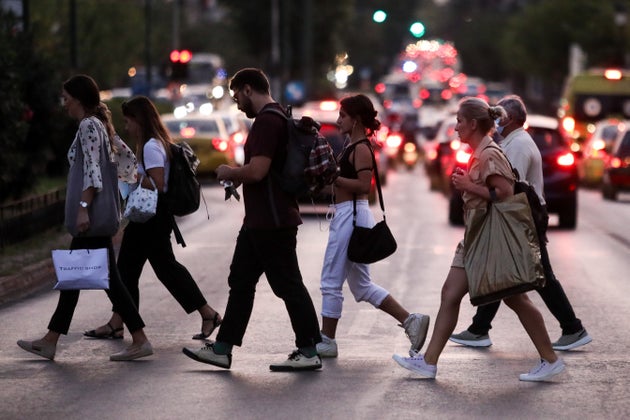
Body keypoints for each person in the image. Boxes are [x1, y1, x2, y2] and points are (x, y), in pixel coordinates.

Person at [392, 97, 565, 381]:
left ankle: (550, 358)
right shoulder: (480, 152)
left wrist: (468, 185)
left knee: (516, 299)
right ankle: (429, 362)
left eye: (459, 121)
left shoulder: (489, 153)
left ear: (473, 124)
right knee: (451, 294)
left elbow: (505, 193)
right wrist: (469, 185)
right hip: (476, 236)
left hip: (489, 237)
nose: (456, 127)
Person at [182, 68, 323, 371]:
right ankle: (222, 348)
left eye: (236, 97)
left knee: (287, 285)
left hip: (271, 220)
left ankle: (310, 349)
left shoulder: (267, 122)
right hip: (261, 219)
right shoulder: (278, 117)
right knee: (241, 282)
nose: (236, 104)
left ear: (248, 89)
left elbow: (258, 170)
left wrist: (230, 172)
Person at [17, 74, 152, 361]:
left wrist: (82, 206)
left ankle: (138, 339)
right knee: (80, 278)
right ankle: (51, 340)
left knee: (92, 279)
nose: (63, 104)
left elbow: (92, 169)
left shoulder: (89, 125)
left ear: (77, 99)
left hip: (90, 217)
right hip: (97, 217)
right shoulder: (99, 124)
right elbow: (126, 160)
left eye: (66, 98)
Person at [450, 95, 592, 351]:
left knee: (539, 276)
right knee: (506, 273)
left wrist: (471, 186)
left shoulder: (516, 146)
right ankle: (479, 328)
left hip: (523, 217)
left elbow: (507, 189)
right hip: (523, 214)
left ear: (511, 119)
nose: (497, 122)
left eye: (500, 118)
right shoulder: (515, 142)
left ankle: (572, 327)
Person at [83, 96, 223, 342]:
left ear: (139, 120)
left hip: (151, 218)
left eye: (128, 121)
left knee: (151, 269)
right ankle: (118, 322)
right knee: (132, 269)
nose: (127, 127)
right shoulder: (157, 143)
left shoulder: (150, 146)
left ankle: (207, 313)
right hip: (152, 218)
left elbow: (158, 183)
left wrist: (133, 177)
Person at [316, 94, 430, 358]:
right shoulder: (353, 145)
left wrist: (336, 178)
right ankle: (411, 320)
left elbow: (362, 187)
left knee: (330, 280)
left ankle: (327, 340)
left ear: (355, 119)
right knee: (362, 286)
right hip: (352, 214)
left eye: (342, 116)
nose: (338, 121)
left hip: (351, 216)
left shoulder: (361, 148)